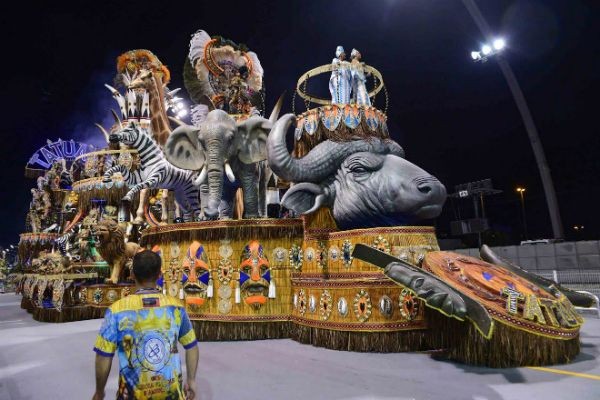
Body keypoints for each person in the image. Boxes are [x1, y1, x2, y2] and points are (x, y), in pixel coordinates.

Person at [92, 250, 199, 400]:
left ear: (132, 274)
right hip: (172, 394)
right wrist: (191, 381)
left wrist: (99, 391)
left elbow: (104, 355)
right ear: (159, 275)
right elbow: (192, 345)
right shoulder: (176, 307)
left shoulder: (116, 310)